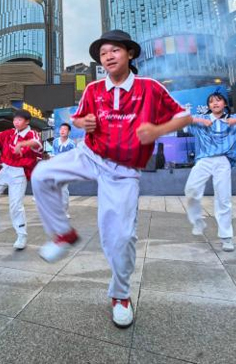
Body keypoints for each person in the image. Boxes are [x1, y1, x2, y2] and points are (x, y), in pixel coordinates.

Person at [32, 30, 191, 328]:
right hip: (90, 155)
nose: (108, 56)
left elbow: (184, 117)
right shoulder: (94, 89)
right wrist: (82, 122)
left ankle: (120, 295)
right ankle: (63, 234)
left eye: (114, 50)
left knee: (120, 238)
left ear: (129, 53)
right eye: (103, 53)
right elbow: (78, 117)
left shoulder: (150, 88)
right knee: (41, 174)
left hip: (123, 171)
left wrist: (156, 131)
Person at [184, 92, 236, 252]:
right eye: (211, 101)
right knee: (191, 190)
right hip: (204, 160)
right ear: (208, 106)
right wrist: (200, 120)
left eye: (218, 100)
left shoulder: (234, 119)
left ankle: (226, 237)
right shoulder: (201, 119)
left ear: (225, 103)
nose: (215, 103)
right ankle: (197, 221)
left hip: (223, 161)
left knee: (223, 198)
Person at [0, 109, 42, 250]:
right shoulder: (10, 132)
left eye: (20, 120)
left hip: (19, 173)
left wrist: (22, 144)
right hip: (5, 169)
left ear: (27, 121)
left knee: (15, 205)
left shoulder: (31, 133)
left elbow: (36, 143)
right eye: (15, 119)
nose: (16, 122)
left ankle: (21, 235)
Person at [51, 123, 76, 218]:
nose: (62, 131)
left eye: (65, 129)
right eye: (61, 129)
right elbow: (53, 154)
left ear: (69, 132)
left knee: (64, 190)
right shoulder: (55, 141)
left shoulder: (71, 144)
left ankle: (64, 211)